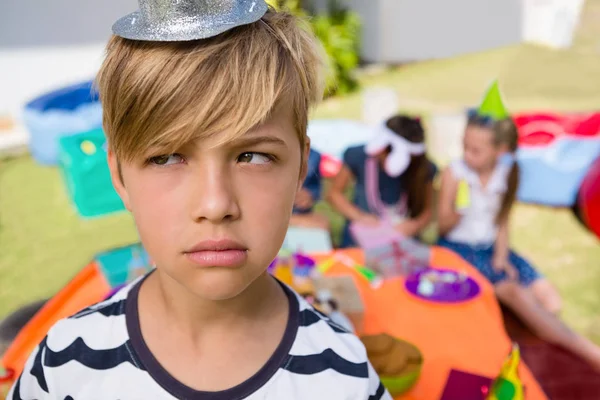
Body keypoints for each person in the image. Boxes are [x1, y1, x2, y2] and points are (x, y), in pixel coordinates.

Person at [8, 2, 391, 399]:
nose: (215, 204)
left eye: (253, 156)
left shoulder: (346, 377)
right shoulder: (64, 366)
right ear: (119, 175)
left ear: (299, 170)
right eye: (167, 157)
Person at [437, 81, 600, 372]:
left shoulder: (508, 170)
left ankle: (545, 355)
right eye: (465, 146)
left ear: (500, 150)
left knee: (549, 298)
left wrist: (501, 255)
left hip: (492, 247)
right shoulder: (456, 172)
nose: (467, 154)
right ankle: (589, 354)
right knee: (515, 293)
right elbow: (443, 227)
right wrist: (458, 211)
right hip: (460, 248)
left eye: (476, 150)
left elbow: (501, 218)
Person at [327, 115, 436, 248]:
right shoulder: (358, 156)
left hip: (403, 245)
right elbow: (334, 194)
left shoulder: (423, 168)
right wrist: (360, 217)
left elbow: (427, 210)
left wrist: (415, 225)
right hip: (359, 243)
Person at [289, 148, 330, 230]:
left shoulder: (315, 155)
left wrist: (310, 195)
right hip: (272, 214)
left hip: (301, 213)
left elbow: (317, 188)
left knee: (322, 223)